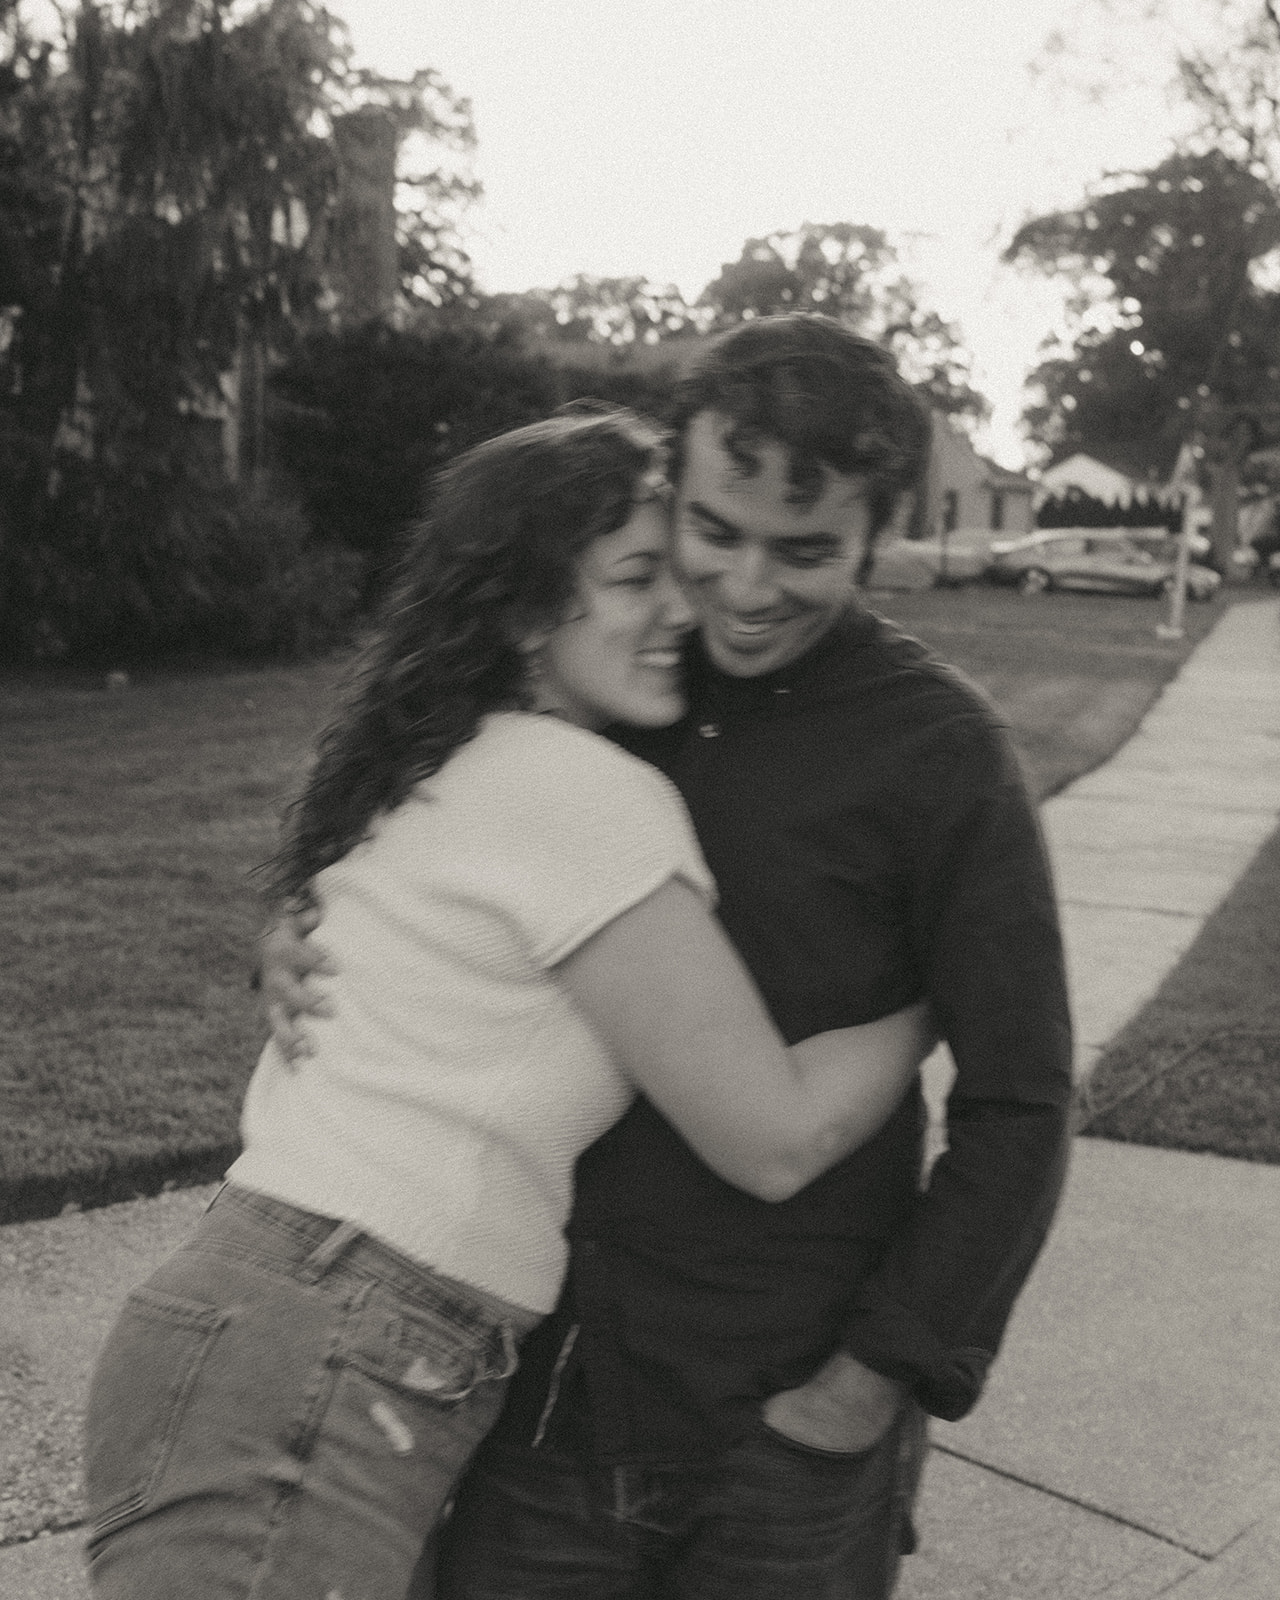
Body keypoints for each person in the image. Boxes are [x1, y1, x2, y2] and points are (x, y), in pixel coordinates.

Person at [265, 317, 1075, 1600]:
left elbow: (1021, 1103)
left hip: (785, 1423)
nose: (747, 589)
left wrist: (865, 1386)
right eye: (715, 533)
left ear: (877, 532)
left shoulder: (941, 757)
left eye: (805, 550)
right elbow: (417, 828)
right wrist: (303, 930)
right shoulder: (605, 679)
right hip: (528, 1405)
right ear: (672, 495)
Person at [81, 408, 935, 1600]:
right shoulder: (576, 789)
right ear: (527, 609)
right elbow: (776, 1138)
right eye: (636, 579)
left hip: (287, 1327)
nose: (682, 611)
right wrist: (930, 992)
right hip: (332, 1347)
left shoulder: (438, 760)